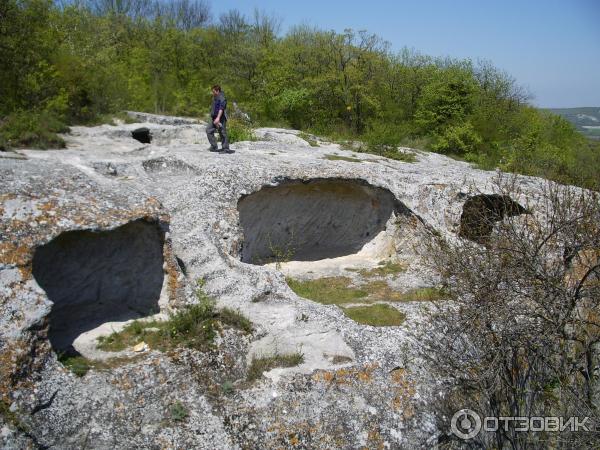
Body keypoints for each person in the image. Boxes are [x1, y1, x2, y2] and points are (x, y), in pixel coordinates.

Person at [206, 84, 231, 153]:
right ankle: (214, 146)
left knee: (222, 132)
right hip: (213, 117)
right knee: (208, 130)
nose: (212, 93)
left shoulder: (222, 98)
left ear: (218, 91)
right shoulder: (214, 97)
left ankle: (225, 148)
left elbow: (221, 108)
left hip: (221, 118)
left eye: (213, 91)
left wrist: (218, 118)